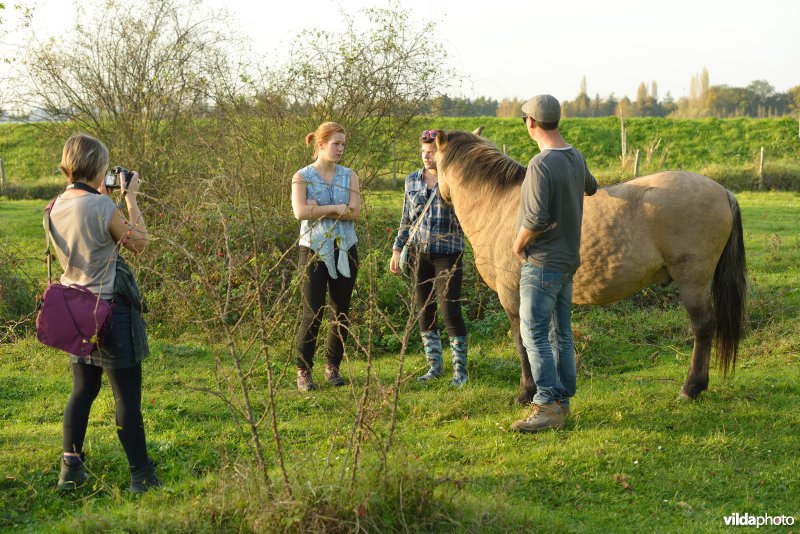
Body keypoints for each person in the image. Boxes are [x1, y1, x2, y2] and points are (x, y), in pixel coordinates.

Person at [49, 133, 161, 492]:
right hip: (111, 309)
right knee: (126, 397)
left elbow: (85, 240)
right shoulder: (102, 207)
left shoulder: (53, 206)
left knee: (82, 391)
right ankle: (141, 476)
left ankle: (70, 470)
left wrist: (104, 200)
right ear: (98, 166)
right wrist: (130, 198)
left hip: (75, 310)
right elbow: (140, 243)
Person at [510, 95, 598, 433]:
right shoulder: (575, 157)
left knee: (534, 332)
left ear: (531, 123)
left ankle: (546, 403)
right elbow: (591, 187)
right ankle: (562, 401)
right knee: (560, 332)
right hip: (567, 261)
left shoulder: (540, 165)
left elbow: (533, 218)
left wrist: (518, 246)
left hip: (542, 261)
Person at [390, 130, 469, 386]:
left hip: (449, 252)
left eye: (431, 152)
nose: (426, 156)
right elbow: (406, 219)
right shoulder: (411, 180)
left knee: (450, 310)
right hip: (418, 253)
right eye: (423, 152)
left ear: (440, 152)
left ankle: (461, 372)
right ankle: (434, 366)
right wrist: (397, 249)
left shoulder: (455, 179)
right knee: (425, 310)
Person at [292, 122, 361, 391]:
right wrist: (336, 208)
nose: (341, 148)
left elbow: (354, 213)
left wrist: (318, 208)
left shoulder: (350, 176)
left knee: (341, 311)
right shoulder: (302, 177)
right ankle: (303, 371)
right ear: (321, 145)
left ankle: (333, 368)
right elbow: (300, 212)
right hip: (313, 251)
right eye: (336, 144)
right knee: (313, 312)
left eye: (343, 144)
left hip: (345, 248)